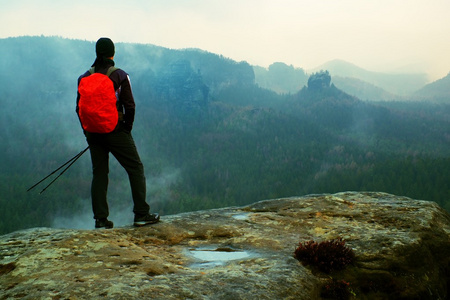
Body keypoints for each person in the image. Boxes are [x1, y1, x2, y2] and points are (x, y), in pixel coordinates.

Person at [76, 37, 159, 229]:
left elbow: (78, 108)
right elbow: (130, 106)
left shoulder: (83, 78)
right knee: (135, 168)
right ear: (112, 54)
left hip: (93, 133)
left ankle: (101, 220)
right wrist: (126, 129)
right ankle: (141, 214)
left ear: (97, 53)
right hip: (115, 131)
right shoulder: (120, 75)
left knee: (99, 174)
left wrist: (88, 131)